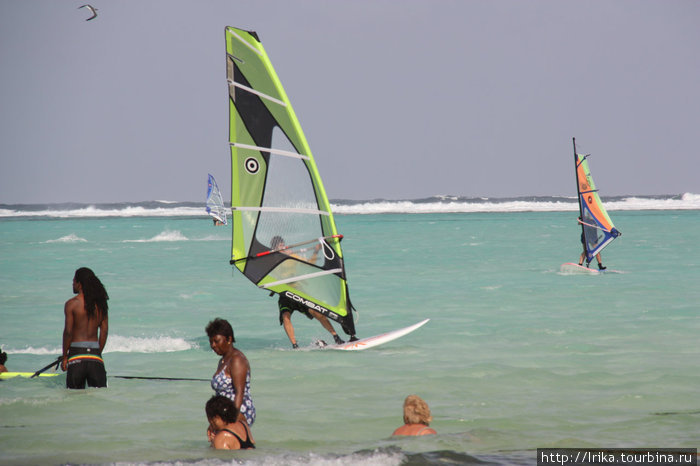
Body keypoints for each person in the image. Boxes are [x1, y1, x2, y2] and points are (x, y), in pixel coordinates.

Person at [270, 235, 345, 348]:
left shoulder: (292, 257)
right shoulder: (271, 260)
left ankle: (336, 337)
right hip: (285, 293)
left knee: (316, 312)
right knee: (285, 315)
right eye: (280, 246)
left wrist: (315, 251)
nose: (283, 248)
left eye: (283, 245)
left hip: (299, 291)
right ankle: (295, 345)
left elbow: (310, 263)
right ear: (274, 248)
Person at [61, 267, 109, 389]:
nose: (72, 284)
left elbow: (68, 332)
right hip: (95, 357)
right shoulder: (101, 304)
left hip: (76, 356)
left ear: (80, 284)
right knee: (100, 400)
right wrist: (98, 353)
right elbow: (104, 331)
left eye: (74, 281)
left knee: (74, 400)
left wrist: (65, 356)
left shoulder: (71, 304)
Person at [206, 318, 256, 427]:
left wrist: (231, 420)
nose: (213, 345)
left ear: (229, 339)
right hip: (224, 413)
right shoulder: (223, 360)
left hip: (238, 411)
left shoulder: (237, 360)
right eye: (211, 342)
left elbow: (240, 393)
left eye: (216, 341)